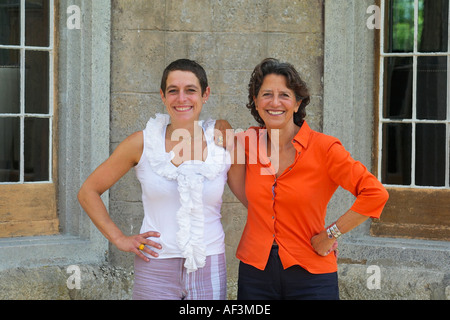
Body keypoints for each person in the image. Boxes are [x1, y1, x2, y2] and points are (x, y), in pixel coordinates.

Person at [228, 58, 389, 300]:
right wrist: (221, 126)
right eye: (266, 94)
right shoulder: (247, 142)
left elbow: (375, 193)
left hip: (311, 274)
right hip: (255, 273)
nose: (274, 102)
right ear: (256, 102)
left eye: (284, 95)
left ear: (297, 103)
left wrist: (330, 234)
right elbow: (213, 140)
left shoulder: (325, 148)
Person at [78, 59, 236, 300]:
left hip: (209, 263)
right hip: (155, 267)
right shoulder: (142, 142)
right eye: (173, 91)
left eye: (190, 90)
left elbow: (252, 191)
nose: (181, 98)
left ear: (206, 94)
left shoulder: (221, 138)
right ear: (163, 96)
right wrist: (119, 238)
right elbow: (88, 191)